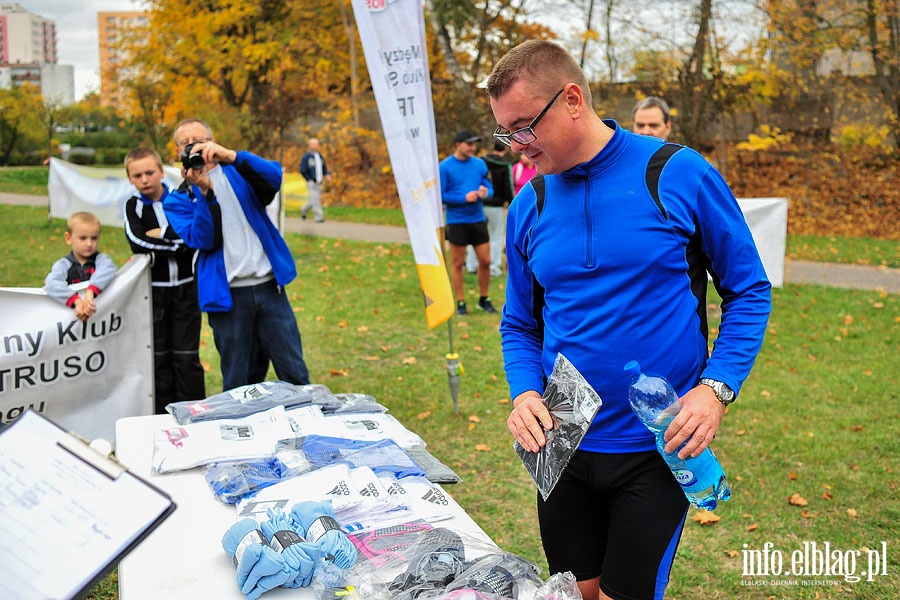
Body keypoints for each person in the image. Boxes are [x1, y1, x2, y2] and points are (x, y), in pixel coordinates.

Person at [487, 40, 771, 600]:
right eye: (506, 133)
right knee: (578, 593)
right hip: (562, 444)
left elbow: (749, 290)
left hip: (655, 447)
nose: (515, 147)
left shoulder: (675, 173)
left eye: (524, 128)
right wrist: (523, 394)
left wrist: (715, 390)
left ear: (572, 100)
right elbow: (519, 323)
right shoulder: (531, 202)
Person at [164, 118, 311, 392]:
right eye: (186, 143)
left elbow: (274, 176)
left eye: (201, 140)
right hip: (229, 298)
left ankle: (307, 429)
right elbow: (203, 240)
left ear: (212, 141)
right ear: (177, 152)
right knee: (239, 382)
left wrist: (231, 155)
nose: (194, 147)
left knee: (294, 373)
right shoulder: (178, 200)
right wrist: (205, 192)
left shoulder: (239, 172)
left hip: (269, 289)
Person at [123, 147, 206, 412]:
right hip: (153, 294)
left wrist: (162, 233)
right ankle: (161, 416)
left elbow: (193, 236)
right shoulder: (133, 206)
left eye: (149, 172)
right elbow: (137, 241)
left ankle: (193, 412)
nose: (144, 179)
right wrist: (176, 242)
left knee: (186, 357)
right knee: (158, 358)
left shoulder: (181, 199)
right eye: (137, 175)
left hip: (185, 289)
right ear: (130, 179)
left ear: (161, 172)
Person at [439, 130, 497, 315]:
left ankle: (484, 298)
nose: (472, 147)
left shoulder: (479, 164)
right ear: (458, 145)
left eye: (474, 144)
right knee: (457, 263)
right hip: (457, 221)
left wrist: (485, 192)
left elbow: (489, 186)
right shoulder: (445, 167)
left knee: (486, 261)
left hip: (477, 219)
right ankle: (461, 302)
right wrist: (463, 198)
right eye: (468, 144)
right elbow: (440, 196)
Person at [44, 211, 117, 322]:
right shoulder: (63, 265)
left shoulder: (102, 261)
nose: (89, 244)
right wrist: (76, 301)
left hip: (101, 320)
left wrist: (90, 291)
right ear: (68, 238)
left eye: (94, 238)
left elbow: (109, 269)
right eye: (83, 238)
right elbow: (51, 283)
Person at [465, 141, 513, 277]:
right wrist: (511, 204)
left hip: (479, 203)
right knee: (496, 236)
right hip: (496, 205)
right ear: (505, 148)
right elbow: (508, 186)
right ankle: (493, 267)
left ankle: (471, 264)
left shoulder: (481, 161)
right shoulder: (505, 165)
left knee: (476, 235)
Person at [299, 138, 332, 223]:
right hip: (311, 181)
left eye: (317, 144)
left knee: (314, 199)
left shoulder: (319, 156)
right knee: (315, 198)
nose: (316, 146)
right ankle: (319, 216)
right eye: (314, 144)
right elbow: (302, 169)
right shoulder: (306, 157)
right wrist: (308, 178)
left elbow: (323, 167)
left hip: (319, 181)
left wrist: (327, 174)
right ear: (310, 145)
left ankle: (304, 209)